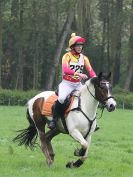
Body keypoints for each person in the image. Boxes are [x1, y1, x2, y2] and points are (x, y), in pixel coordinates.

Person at [48, 33, 96, 130]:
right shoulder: (67, 56)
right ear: (72, 47)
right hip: (67, 84)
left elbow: (90, 71)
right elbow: (66, 70)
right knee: (61, 98)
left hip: (78, 84)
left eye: (81, 46)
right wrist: (79, 74)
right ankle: (54, 120)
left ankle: (92, 122)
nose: (80, 47)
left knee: (89, 96)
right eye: (77, 45)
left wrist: (96, 79)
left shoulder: (84, 58)